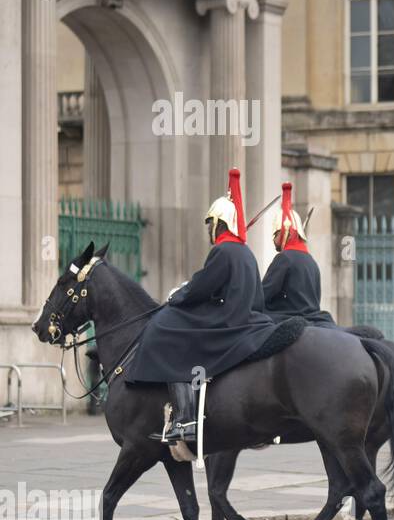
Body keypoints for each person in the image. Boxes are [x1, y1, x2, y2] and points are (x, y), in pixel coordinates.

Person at [128, 168, 279, 445]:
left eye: (211, 223)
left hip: (226, 321)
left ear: (218, 223)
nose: (209, 229)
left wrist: (178, 295)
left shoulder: (222, 251)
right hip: (246, 317)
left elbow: (202, 287)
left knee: (166, 327)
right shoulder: (245, 252)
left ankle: (185, 418)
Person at [261, 182, 335, 327]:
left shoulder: (284, 258)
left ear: (285, 233)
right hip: (314, 319)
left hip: (288, 319)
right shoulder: (311, 261)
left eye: (275, 234)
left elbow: (263, 295)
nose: (273, 240)